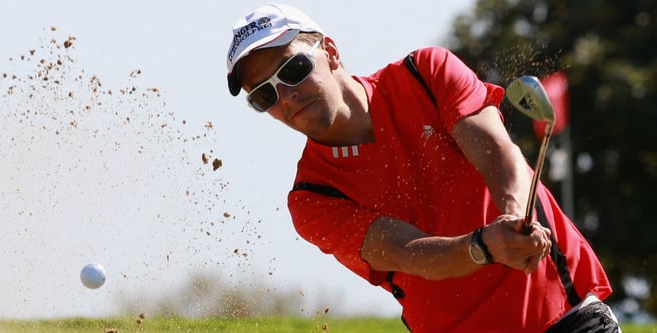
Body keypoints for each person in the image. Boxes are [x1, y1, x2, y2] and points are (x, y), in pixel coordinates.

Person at [224, 3, 620, 333]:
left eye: (292, 70)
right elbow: (403, 251)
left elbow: (498, 154)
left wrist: (515, 222)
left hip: (564, 317)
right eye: (265, 95)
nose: (287, 97)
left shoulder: (425, 73)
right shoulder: (311, 196)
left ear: (330, 51)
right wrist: (484, 246)